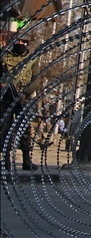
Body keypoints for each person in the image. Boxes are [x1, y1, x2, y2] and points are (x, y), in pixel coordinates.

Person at [1, 39, 37, 171]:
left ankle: (26, 159)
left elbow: (36, 79)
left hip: (23, 97)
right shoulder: (4, 58)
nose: (20, 44)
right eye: (18, 42)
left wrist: (26, 93)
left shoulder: (32, 59)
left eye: (23, 42)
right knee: (5, 128)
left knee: (25, 128)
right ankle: (5, 159)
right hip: (7, 96)